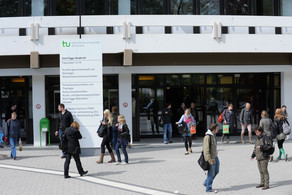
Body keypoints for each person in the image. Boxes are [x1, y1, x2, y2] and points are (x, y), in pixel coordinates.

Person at [203, 123, 219, 193]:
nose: (218, 130)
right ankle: (208, 188)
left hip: (215, 157)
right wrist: (209, 160)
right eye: (217, 128)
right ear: (213, 129)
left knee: (216, 171)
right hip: (211, 158)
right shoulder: (207, 137)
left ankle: (206, 182)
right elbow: (206, 150)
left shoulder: (213, 136)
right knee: (211, 173)